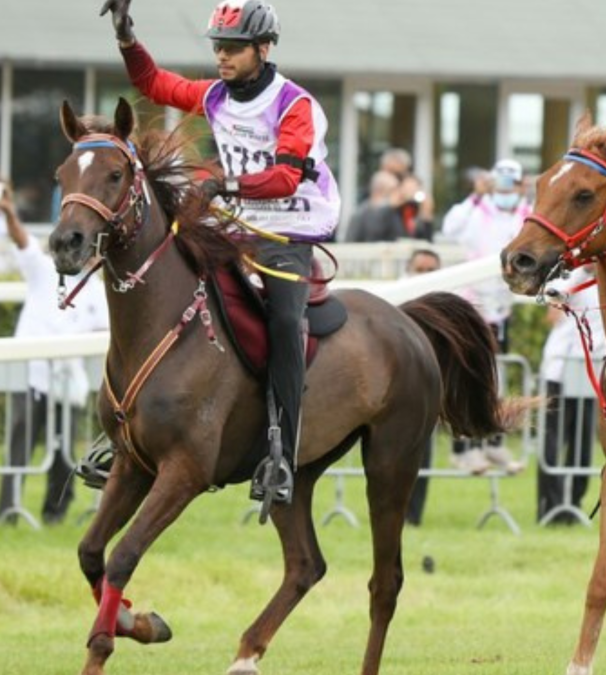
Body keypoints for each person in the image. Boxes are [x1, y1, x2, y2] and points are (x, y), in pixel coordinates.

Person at [98, 0, 341, 504]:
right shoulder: (214, 96)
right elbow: (154, 85)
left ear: (264, 48)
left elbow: (285, 177)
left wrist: (220, 185)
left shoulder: (295, 104)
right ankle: (125, 432)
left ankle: (282, 454)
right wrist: (126, 36)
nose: (222, 58)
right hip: (235, 223)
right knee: (162, 279)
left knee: (281, 321)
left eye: (232, 49)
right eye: (218, 49)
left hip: (289, 230)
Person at [0, 181, 109, 525]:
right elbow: (22, 242)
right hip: (31, 376)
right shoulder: (43, 271)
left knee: (63, 453)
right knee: (20, 445)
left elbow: (104, 334)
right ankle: (7, 511)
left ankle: (55, 513)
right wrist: (9, 212)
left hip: (68, 384)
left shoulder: (96, 291)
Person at [441, 158, 531, 474]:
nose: (505, 190)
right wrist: (476, 196)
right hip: (473, 305)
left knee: (497, 376)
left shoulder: (525, 214)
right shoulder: (477, 210)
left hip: (501, 306)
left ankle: (492, 442)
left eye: (511, 184)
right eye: (500, 184)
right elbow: (450, 228)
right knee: (468, 375)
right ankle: (463, 447)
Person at [537, 266, 606, 525]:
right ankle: (550, 506)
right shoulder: (572, 278)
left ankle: (573, 504)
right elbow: (552, 297)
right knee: (552, 444)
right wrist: (583, 270)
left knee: (582, 446)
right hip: (559, 371)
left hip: (589, 373)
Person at [403, 249, 441, 526]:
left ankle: (414, 515)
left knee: (422, 455)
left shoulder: (443, 307)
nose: (426, 277)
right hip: (395, 389)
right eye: (421, 270)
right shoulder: (394, 301)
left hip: (427, 393)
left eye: (431, 271)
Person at [344, 170, 399, 242]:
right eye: (393, 191)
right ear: (379, 190)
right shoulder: (360, 214)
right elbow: (350, 242)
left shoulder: (393, 212)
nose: (396, 195)